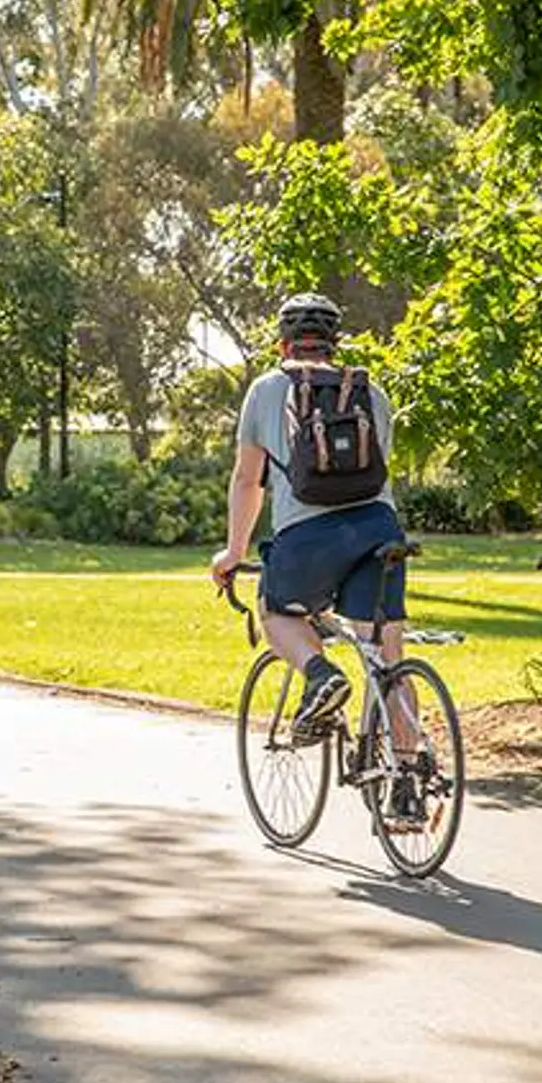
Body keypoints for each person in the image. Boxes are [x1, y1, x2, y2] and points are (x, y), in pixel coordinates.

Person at [209, 293, 420, 815]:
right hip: (379, 531)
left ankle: (321, 676)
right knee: (387, 659)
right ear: (335, 343)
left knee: (277, 613)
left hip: (308, 535)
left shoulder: (266, 390)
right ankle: (409, 787)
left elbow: (247, 479)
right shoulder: (373, 392)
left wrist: (233, 552)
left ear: (282, 342)